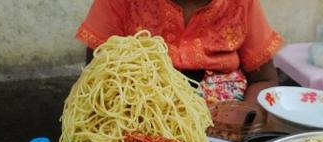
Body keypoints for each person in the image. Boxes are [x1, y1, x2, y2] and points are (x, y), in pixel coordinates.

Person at [76, 0, 284, 105]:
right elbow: (96, 78)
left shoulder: (241, 3)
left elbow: (263, 79)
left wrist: (245, 117)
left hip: (226, 132)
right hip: (139, 126)